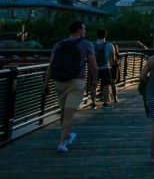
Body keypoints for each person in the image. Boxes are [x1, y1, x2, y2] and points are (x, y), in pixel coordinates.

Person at [43, 21, 97, 153]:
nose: (85, 31)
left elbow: (51, 66)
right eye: (84, 28)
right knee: (68, 115)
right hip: (76, 82)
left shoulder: (59, 44)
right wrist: (94, 80)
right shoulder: (86, 44)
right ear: (79, 30)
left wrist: (45, 83)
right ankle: (62, 143)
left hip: (59, 82)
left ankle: (67, 136)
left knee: (64, 112)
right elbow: (93, 65)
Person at [93, 29, 116, 109]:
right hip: (106, 68)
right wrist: (111, 66)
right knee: (106, 86)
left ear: (97, 35)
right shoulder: (109, 45)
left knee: (94, 85)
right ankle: (105, 104)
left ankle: (93, 103)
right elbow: (113, 59)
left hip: (95, 68)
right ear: (105, 35)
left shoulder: (92, 45)